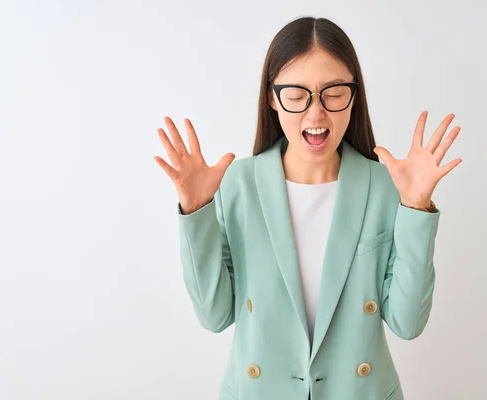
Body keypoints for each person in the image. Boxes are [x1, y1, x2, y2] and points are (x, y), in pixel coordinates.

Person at [154, 16, 461, 400]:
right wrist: (196, 209)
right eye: (296, 95)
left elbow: (407, 322)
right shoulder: (238, 184)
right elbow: (214, 316)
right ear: (272, 97)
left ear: (354, 93)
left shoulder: (386, 186)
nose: (315, 115)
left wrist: (416, 207)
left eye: (333, 93)